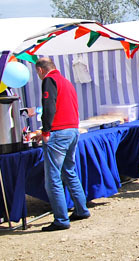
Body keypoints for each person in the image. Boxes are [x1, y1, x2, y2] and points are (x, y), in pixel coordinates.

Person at [34, 57, 90, 231]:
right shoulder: (66, 81)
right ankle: (81, 209)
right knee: (69, 171)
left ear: (40, 70)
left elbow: (48, 106)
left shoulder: (49, 80)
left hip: (58, 132)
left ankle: (61, 219)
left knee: (53, 178)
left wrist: (45, 131)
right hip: (72, 129)